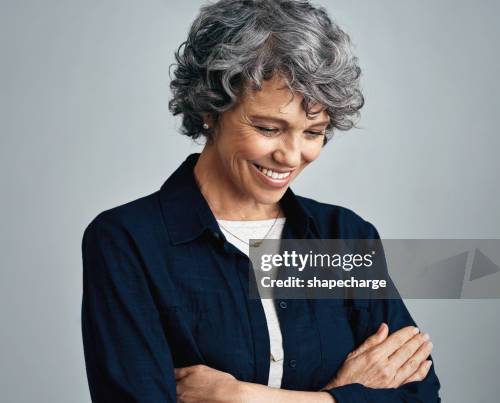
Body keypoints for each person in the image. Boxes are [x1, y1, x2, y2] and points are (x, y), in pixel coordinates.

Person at [81, 0, 441, 402]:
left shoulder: (344, 236)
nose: (290, 156)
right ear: (209, 109)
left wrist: (244, 397)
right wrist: (344, 394)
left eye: (313, 132)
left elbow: (421, 396)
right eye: (269, 128)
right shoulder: (127, 241)